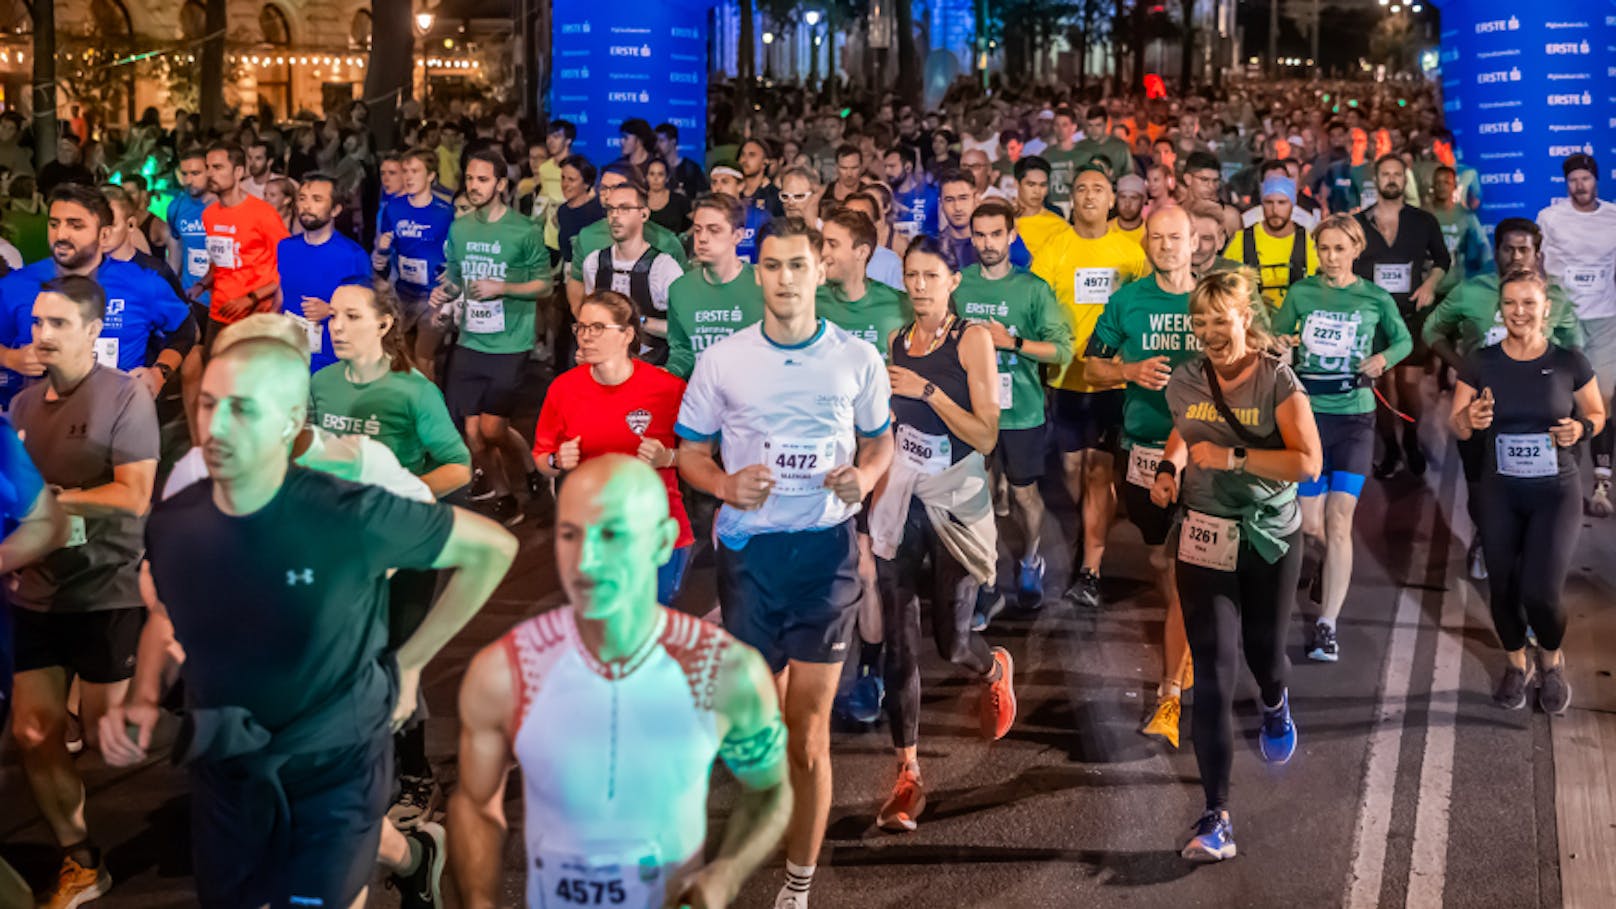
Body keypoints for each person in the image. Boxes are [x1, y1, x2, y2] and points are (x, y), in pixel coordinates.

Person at [99, 334, 518, 909]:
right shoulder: (177, 520)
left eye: (242, 408)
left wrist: (412, 661)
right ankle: (415, 857)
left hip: (334, 755)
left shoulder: (347, 511)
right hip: (227, 758)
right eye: (208, 404)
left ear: (290, 420)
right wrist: (144, 698)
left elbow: (492, 548)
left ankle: (412, 858)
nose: (217, 425)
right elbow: (171, 616)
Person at [449, 454, 790, 908]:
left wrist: (725, 874)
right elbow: (474, 804)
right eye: (570, 534)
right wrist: (478, 901)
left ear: (662, 542)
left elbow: (769, 789)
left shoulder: (725, 672)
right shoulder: (504, 673)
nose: (587, 559)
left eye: (612, 534)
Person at [675, 217, 894, 909]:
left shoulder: (856, 356)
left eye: (798, 264)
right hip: (750, 558)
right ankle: (761, 823)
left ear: (820, 268)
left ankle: (797, 885)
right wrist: (722, 486)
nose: (785, 279)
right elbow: (690, 451)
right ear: (757, 271)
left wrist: (864, 475)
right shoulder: (725, 360)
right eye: (771, 266)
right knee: (761, 737)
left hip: (825, 556)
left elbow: (881, 441)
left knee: (808, 736)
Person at [1149, 269, 1321, 862]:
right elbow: (1186, 425)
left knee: (1264, 652)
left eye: (1220, 320)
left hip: (1270, 535)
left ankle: (1275, 700)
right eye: (1200, 322)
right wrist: (1171, 470)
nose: (1210, 332)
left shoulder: (1278, 379)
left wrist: (1234, 457)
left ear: (1246, 316)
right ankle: (1214, 815)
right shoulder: (1186, 377)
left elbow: (1308, 463)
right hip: (1204, 532)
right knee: (1216, 678)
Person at [8, 275, 159, 905]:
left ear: (94, 331)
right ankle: (80, 858)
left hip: (107, 587)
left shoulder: (124, 397)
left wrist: (54, 508)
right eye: (38, 323)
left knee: (107, 740)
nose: (41, 335)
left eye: (59, 324)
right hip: (34, 592)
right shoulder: (18, 407)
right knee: (34, 733)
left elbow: (135, 494)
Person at [867, 236, 1017, 832]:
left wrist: (927, 390)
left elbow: (985, 437)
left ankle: (992, 670)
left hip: (955, 499)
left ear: (954, 281)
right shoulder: (896, 341)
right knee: (900, 643)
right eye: (912, 275)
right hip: (904, 496)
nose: (920, 285)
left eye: (932, 275)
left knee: (953, 642)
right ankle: (908, 775)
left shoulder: (972, 339)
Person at [1449, 270, 1605, 714]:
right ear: (1501, 308)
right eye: (1511, 303)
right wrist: (1470, 421)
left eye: (1528, 303)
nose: (1519, 312)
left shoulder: (1569, 361)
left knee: (1542, 592)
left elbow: (1596, 411)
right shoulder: (1481, 362)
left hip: (1555, 492)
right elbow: (1456, 421)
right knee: (1503, 588)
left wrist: (1581, 427)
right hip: (1499, 490)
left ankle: (1552, 661)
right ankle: (1517, 665)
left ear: (1545, 309)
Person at [1083, 206, 1204, 747]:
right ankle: (1186, 639)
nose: (1166, 246)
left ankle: (1169, 694)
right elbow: (1089, 365)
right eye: (1156, 238)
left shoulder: (1212, 300)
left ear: (1195, 241)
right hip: (1140, 450)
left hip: (1202, 453)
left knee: (1182, 565)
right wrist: (1127, 370)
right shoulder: (1127, 301)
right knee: (1160, 558)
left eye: (1175, 237)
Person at [1273, 215, 1411, 663]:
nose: (1330, 258)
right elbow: (1279, 339)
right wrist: (1283, 344)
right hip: (1308, 419)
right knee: (1310, 525)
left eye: (1338, 249)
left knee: (1338, 520)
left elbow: (1405, 340)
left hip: (1354, 417)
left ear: (1356, 249)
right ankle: (1323, 569)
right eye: (1323, 249)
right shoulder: (1301, 293)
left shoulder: (1374, 297)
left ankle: (1328, 625)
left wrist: (1383, 359)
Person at [1424, 218, 1582, 579]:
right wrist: (1465, 367)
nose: (1516, 256)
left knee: (1538, 493)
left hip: (1540, 417)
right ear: (1496, 251)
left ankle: (1534, 562)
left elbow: (1575, 348)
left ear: (1538, 254)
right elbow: (1433, 328)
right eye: (1508, 248)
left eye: (1524, 249)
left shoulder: (1554, 296)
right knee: (1480, 488)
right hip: (1482, 414)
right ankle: (1485, 536)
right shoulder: (1471, 290)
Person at [1033, 165, 1150, 608]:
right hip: (1066, 378)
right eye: (1081, 189)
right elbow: (1038, 303)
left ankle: (1091, 569)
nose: (1088, 196)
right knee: (1070, 471)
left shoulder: (1129, 253)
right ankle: (1094, 523)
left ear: (1111, 200)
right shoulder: (1054, 248)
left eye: (1098, 189)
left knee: (1099, 472)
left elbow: (1141, 307)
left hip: (1113, 379)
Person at [952, 198, 1071, 616]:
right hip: (971, 411)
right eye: (980, 235)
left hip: (1021, 411)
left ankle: (1030, 559)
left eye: (996, 234)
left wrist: (1012, 343)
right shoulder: (959, 285)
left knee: (1023, 496)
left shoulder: (1033, 289)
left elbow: (1062, 350)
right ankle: (984, 579)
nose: (987, 243)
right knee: (976, 495)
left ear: (1011, 235)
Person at [534, 290, 692, 602]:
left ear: (627, 334)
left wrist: (668, 457)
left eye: (597, 328)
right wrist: (555, 460)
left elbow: (702, 457)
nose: (585, 337)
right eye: (580, 327)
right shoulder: (564, 389)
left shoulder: (667, 389)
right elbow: (541, 456)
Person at [428, 148, 551, 524]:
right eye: (469, 179)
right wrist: (443, 293)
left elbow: (545, 285)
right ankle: (502, 494)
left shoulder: (524, 230)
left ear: (500, 184)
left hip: (509, 344)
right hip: (470, 341)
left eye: (482, 180)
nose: (474, 186)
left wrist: (503, 287)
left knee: (493, 428)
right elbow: (454, 276)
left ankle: (529, 470)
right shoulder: (461, 228)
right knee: (473, 432)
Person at [0, 184, 194, 404]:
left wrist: (159, 373)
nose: (61, 234)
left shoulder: (143, 282)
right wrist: (10, 358)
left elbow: (185, 330)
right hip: (38, 422)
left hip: (117, 417)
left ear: (104, 234)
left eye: (76, 225)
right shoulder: (16, 285)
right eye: (54, 224)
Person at [1353, 152, 1450, 478]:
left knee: (1409, 385)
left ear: (1404, 179)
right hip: (1371, 319)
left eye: (1397, 174)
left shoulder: (1423, 221)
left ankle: (1411, 441)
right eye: (1386, 174)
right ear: (1376, 180)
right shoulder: (1359, 223)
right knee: (1380, 384)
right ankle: (1391, 450)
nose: (1391, 179)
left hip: (1409, 315)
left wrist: (1430, 286)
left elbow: (1442, 260)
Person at [1537, 152, 1616, 517]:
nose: (1579, 186)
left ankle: (1602, 479)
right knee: (1563, 402)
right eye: (1573, 180)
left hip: (1605, 318)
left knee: (1602, 399)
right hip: (1565, 319)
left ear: (1596, 181)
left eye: (1585, 179)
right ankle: (1562, 479)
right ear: (1565, 184)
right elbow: (1537, 265)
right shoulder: (1550, 218)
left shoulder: (1613, 217)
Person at [580, 173, 685, 367]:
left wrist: (640, 322)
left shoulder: (663, 268)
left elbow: (683, 329)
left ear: (644, 214)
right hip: (606, 369)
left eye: (624, 208)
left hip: (650, 367)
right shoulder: (594, 263)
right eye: (610, 209)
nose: (615, 216)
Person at [276, 173, 374, 373]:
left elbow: (368, 314)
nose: (307, 206)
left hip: (333, 365)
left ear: (336, 209)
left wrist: (331, 311)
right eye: (302, 198)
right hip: (289, 358)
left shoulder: (353, 256)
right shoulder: (285, 248)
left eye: (317, 199)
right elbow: (280, 297)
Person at [377, 147, 456, 381]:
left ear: (431, 176)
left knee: (424, 358)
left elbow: (459, 252)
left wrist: (453, 274)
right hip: (403, 293)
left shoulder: (445, 213)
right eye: (405, 171)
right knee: (402, 357)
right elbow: (382, 261)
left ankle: (429, 413)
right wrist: (381, 252)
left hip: (434, 296)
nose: (409, 177)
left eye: (415, 171)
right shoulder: (393, 209)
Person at [666, 193, 765, 380]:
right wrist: (667, 374)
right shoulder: (679, 289)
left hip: (752, 395)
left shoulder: (763, 284)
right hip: (702, 398)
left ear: (738, 236)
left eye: (714, 230)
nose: (702, 238)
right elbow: (683, 351)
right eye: (697, 230)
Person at [816, 209, 913, 356]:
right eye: (822, 243)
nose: (823, 252)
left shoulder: (901, 306)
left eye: (833, 244)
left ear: (861, 252)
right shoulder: (809, 302)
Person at [1225, 175, 1318, 310]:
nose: (1275, 210)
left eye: (1282, 202)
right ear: (1262, 204)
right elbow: (1225, 286)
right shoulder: (1242, 240)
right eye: (1269, 202)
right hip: (1252, 324)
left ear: (1292, 204)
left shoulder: (1309, 241)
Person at [934, 170, 1030, 270]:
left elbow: (1022, 277)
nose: (957, 207)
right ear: (941, 204)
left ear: (976, 199)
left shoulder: (1004, 239)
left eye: (963, 198)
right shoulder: (933, 246)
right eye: (949, 200)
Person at [1426, 165, 1490, 301]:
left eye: (1446, 183)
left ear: (1455, 186)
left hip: (1456, 287)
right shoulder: (1422, 215)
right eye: (1438, 183)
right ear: (1432, 186)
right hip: (1428, 288)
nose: (1442, 186)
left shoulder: (1466, 216)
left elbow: (1483, 245)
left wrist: (1485, 273)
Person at [839, 192, 905, 290]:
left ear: (875, 224)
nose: (855, 224)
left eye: (863, 217)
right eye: (849, 218)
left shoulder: (890, 263)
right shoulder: (827, 257)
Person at [883, 146, 938, 240]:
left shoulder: (932, 194)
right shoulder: (885, 197)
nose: (887, 171)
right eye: (885, 167)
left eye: (892, 166)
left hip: (926, 251)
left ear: (908, 167)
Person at [656, 120, 709, 199]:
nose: (658, 145)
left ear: (673, 141)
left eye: (661, 141)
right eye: (656, 141)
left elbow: (704, 194)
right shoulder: (655, 167)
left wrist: (687, 199)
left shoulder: (691, 168)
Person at [647, 157, 692, 234]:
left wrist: (685, 236)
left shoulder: (679, 200)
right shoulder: (639, 200)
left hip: (674, 245)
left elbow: (699, 221)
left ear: (667, 178)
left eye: (660, 174)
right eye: (652, 174)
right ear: (646, 177)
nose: (655, 179)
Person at [1110, 174, 1147, 246]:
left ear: (1143, 200)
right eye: (1123, 197)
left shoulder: (1151, 234)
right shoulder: (1104, 231)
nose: (1127, 204)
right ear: (1116, 199)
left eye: (1133, 198)